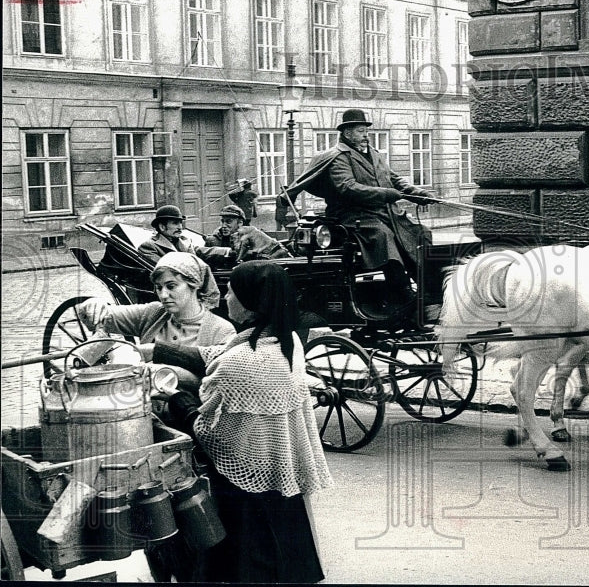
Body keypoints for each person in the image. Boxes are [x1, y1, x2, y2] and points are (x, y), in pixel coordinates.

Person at [162, 261, 333, 584]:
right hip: (282, 483)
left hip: (243, 496)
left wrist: (176, 398)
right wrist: (157, 350)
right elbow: (218, 352)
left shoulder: (237, 364)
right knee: (287, 567)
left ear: (250, 303)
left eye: (230, 291)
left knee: (245, 569)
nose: (225, 297)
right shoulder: (286, 343)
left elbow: (209, 435)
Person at [285, 109, 438, 304]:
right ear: (347, 133)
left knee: (420, 233)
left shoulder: (374, 154)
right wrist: (385, 194)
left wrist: (419, 194)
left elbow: (394, 179)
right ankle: (401, 292)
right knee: (383, 236)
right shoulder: (338, 157)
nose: (366, 135)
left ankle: (429, 291)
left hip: (384, 213)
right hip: (353, 216)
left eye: (366, 130)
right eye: (360, 131)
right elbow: (347, 187)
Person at [76, 252, 235, 391]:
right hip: (142, 410)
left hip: (185, 420)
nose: (163, 295)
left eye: (171, 286)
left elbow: (218, 385)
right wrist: (93, 305)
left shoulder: (221, 331)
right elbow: (105, 316)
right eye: (159, 288)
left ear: (194, 285)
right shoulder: (155, 313)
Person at [138, 204, 232, 275]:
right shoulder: (149, 246)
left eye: (180, 223)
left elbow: (201, 251)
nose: (180, 227)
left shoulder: (184, 241)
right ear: (162, 227)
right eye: (175, 223)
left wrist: (228, 251)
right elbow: (167, 270)